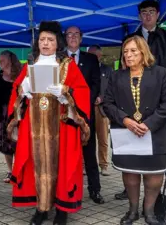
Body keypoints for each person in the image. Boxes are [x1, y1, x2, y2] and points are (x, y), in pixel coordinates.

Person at [8, 21, 90, 225]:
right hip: (34, 127)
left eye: (50, 40)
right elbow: (16, 95)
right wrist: (22, 91)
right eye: (42, 39)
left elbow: (83, 91)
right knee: (36, 165)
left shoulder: (68, 65)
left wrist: (66, 93)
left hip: (61, 126)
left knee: (63, 167)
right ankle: (41, 208)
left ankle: (62, 210)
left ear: (57, 43)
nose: (45, 43)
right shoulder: (29, 66)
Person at [103, 35, 166, 225]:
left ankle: (149, 212)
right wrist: (125, 120)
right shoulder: (116, 75)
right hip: (126, 133)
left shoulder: (160, 73)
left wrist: (149, 123)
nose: (128, 55)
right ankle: (133, 211)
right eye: (126, 52)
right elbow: (107, 104)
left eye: (133, 51)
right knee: (130, 175)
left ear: (143, 52)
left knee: (153, 177)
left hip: (152, 133)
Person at [115, 0, 166, 205]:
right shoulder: (128, 39)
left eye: (152, 12)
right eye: (144, 12)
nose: (148, 16)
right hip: (133, 104)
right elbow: (124, 69)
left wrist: (156, 86)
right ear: (139, 16)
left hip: (160, 104)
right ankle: (130, 189)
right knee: (132, 145)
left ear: (158, 14)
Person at [64, 26, 104, 204]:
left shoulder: (91, 59)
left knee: (89, 152)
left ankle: (95, 190)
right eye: (69, 34)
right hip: (63, 114)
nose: (73, 37)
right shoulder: (59, 59)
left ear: (81, 38)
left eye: (76, 34)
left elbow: (96, 83)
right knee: (65, 153)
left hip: (85, 113)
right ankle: (66, 189)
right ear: (65, 38)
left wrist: (84, 102)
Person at [0, 50, 22, 183]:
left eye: (3, 60)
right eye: (0, 60)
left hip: (18, 114)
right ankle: (11, 171)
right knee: (6, 146)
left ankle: (19, 171)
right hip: (2, 115)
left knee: (18, 144)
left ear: (10, 60)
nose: (0, 62)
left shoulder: (21, 75)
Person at [88, 45, 113, 176]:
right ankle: (84, 165)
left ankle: (103, 165)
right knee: (86, 138)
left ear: (99, 55)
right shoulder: (85, 68)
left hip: (102, 109)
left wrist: (101, 98)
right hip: (87, 108)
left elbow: (111, 89)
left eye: (93, 54)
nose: (91, 57)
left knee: (103, 139)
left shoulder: (107, 70)